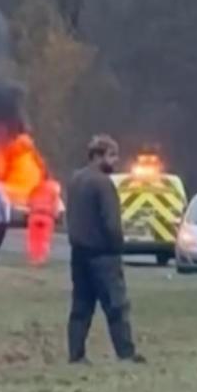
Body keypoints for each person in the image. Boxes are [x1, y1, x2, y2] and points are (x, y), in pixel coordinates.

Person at [65, 135, 145, 364]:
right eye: (112, 155)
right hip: (103, 255)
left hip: (79, 253)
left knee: (81, 306)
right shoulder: (103, 183)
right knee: (117, 305)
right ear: (98, 156)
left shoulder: (75, 180)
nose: (116, 160)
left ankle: (76, 355)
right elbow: (111, 222)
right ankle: (126, 353)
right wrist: (118, 246)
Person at [26, 173, 61, 266]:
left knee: (34, 239)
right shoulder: (53, 189)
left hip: (35, 215)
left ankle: (33, 258)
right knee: (44, 238)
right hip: (47, 216)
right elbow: (56, 204)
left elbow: (28, 202)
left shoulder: (35, 188)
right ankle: (41, 258)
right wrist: (56, 215)